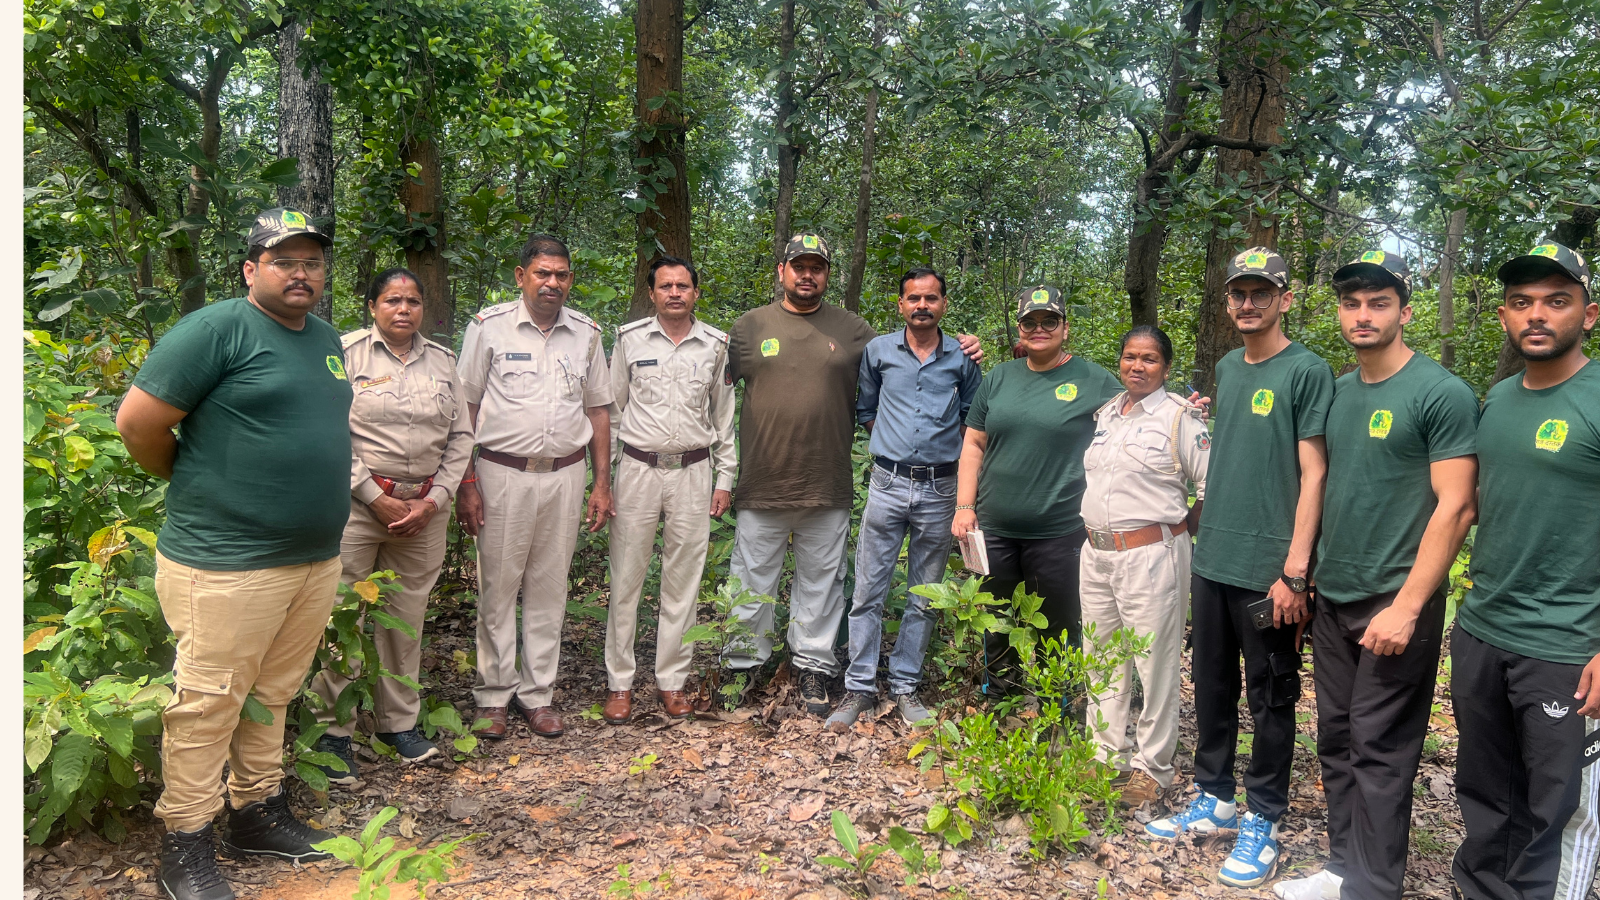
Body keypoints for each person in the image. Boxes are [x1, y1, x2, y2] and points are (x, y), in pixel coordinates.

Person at [115, 208, 349, 900]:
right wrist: (200, 484)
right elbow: (139, 425)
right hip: (225, 561)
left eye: (311, 261)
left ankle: (256, 812)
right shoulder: (216, 329)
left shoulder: (326, 339)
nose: (301, 273)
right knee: (208, 704)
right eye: (285, 261)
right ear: (251, 270)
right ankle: (184, 844)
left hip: (311, 557)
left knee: (273, 694)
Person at [1273, 251, 1478, 900]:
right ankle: (1343, 869)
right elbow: (1320, 485)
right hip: (1334, 596)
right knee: (1335, 736)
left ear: (1404, 311)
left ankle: (1373, 885)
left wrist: (1411, 606)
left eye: (1379, 302)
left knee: (1380, 747)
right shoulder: (1335, 391)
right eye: (1352, 303)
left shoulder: (1438, 392)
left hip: (1395, 600)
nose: (1363, 315)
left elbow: (1457, 505)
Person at [721, 233, 981, 716]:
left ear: (827, 274)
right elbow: (716, 398)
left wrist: (969, 346)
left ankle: (814, 668)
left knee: (822, 582)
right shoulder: (748, 327)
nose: (807, 274)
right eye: (798, 265)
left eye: (817, 266)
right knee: (753, 578)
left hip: (830, 480)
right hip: (763, 479)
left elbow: (926, 387)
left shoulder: (856, 331)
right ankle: (741, 667)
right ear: (781, 270)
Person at [1145, 247, 1333, 890]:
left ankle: (1265, 817)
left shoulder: (1307, 371)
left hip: (1270, 568)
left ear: (1285, 298)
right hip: (1216, 554)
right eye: (1238, 294)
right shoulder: (1229, 365)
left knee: (1272, 695)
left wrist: (1296, 571)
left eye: (1261, 292)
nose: (1247, 304)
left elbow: (1315, 474)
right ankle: (1214, 795)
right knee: (1214, 684)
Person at [1451, 242, 1600, 900]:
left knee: (1555, 815)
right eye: (1521, 303)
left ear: (1589, 315)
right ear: (1506, 317)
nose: (1536, 315)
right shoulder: (1501, 398)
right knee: (1485, 794)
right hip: (1483, 630)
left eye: (1555, 301)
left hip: (1566, 646)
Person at [305, 268, 476, 782]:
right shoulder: (344, 353)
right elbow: (327, 430)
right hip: (357, 507)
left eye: (413, 301)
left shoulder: (444, 362)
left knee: (407, 620)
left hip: (423, 511)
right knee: (343, 618)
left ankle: (396, 723)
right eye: (392, 300)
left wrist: (437, 498)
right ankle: (333, 731)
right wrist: (373, 496)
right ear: (373, 306)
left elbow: (462, 438)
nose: (403, 309)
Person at [454, 234, 614, 740]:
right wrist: (467, 479)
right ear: (521, 276)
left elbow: (598, 410)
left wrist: (601, 482)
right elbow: (466, 408)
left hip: (566, 474)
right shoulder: (488, 329)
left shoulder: (587, 333)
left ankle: (537, 695)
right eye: (542, 273)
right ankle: (494, 695)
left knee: (549, 587)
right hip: (501, 473)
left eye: (561, 274)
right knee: (498, 587)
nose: (552, 283)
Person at [826, 267, 981, 732]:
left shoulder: (962, 356)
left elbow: (975, 420)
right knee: (869, 588)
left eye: (931, 298)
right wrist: (896, 449)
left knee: (924, 594)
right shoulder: (878, 351)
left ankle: (906, 686)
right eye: (913, 298)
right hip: (887, 483)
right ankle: (859, 689)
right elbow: (867, 409)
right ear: (900, 304)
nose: (922, 306)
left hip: (940, 489)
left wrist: (935, 453)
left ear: (943, 305)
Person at [951, 285, 1121, 695]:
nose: (1039, 328)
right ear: (1020, 328)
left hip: (1059, 530)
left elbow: (1136, 416)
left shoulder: (1092, 379)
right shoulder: (998, 378)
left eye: (1049, 321)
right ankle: (1001, 699)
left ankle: (1056, 708)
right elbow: (973, 444)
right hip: (993, 526)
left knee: (1058, 622)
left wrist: (1183, 412)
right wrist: (963, 506)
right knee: (996, 619)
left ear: (1065, 326)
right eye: (1030, 321)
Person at [1079, 325, 1209, 810]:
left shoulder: (1181, 419)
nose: (1138, 366)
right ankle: (1104, 753)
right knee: (1102, 654)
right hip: (1096, 553)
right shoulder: (1107, 414)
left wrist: (1181, 529)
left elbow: (1209, 483)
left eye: (1150, 359)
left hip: (1152, 553)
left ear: (1166, 367)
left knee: (1154, 662)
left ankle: (1152, 766)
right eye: (1131, 356)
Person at [603, 255, 736, 723]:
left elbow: (723, 419)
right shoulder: (628, 339)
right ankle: (619, 682)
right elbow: (611, 409)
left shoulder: (716, 345)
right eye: (666, 286)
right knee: (626, 578)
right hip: (637, 470)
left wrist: (725, 478)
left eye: (683, 286)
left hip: (693, 472)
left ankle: (672, 681)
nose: (675, 293)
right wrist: (606, 477)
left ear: (696, 293)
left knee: (683, 580)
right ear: (653, 293)